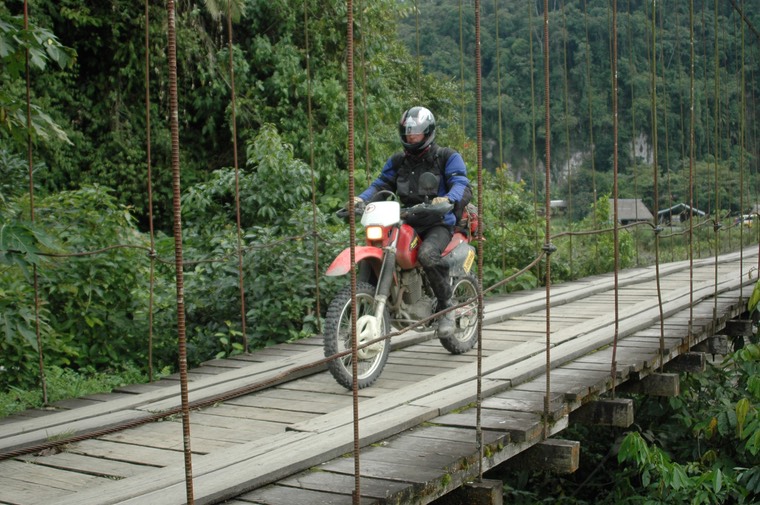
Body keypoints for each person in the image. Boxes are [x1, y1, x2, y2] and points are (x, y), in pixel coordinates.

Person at [354, 106, 471, 339]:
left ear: (427, 132)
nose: (410, 137)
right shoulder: (398, 161)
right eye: (407, 132)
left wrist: (448, 198)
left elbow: (461, 183)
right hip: (405, 221)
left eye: (415, 133)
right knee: (377, 249)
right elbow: (380, 185)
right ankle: (367, 307)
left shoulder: (447, 157)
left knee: (427, 254)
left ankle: (447, 307)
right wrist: (360, 199)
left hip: (437, 222)